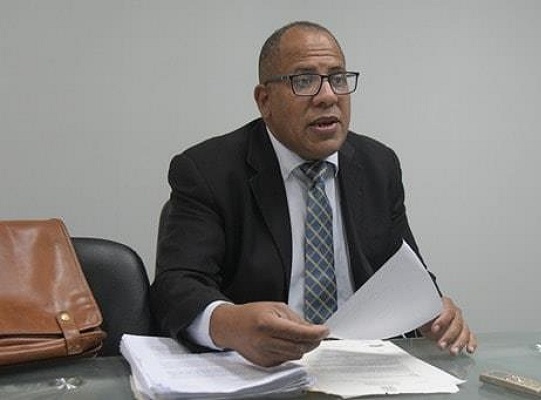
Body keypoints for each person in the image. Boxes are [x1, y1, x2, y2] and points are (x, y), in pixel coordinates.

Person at [151, 21, 477, 368]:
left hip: (364, 369)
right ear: (265, 100)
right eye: (304, 81)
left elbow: (405, 273)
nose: (328, 96)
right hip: (259, 371)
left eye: (338, 78)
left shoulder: (378, 165)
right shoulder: (208, 170)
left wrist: (432, 310)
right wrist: (231, 324)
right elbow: (176, 286)